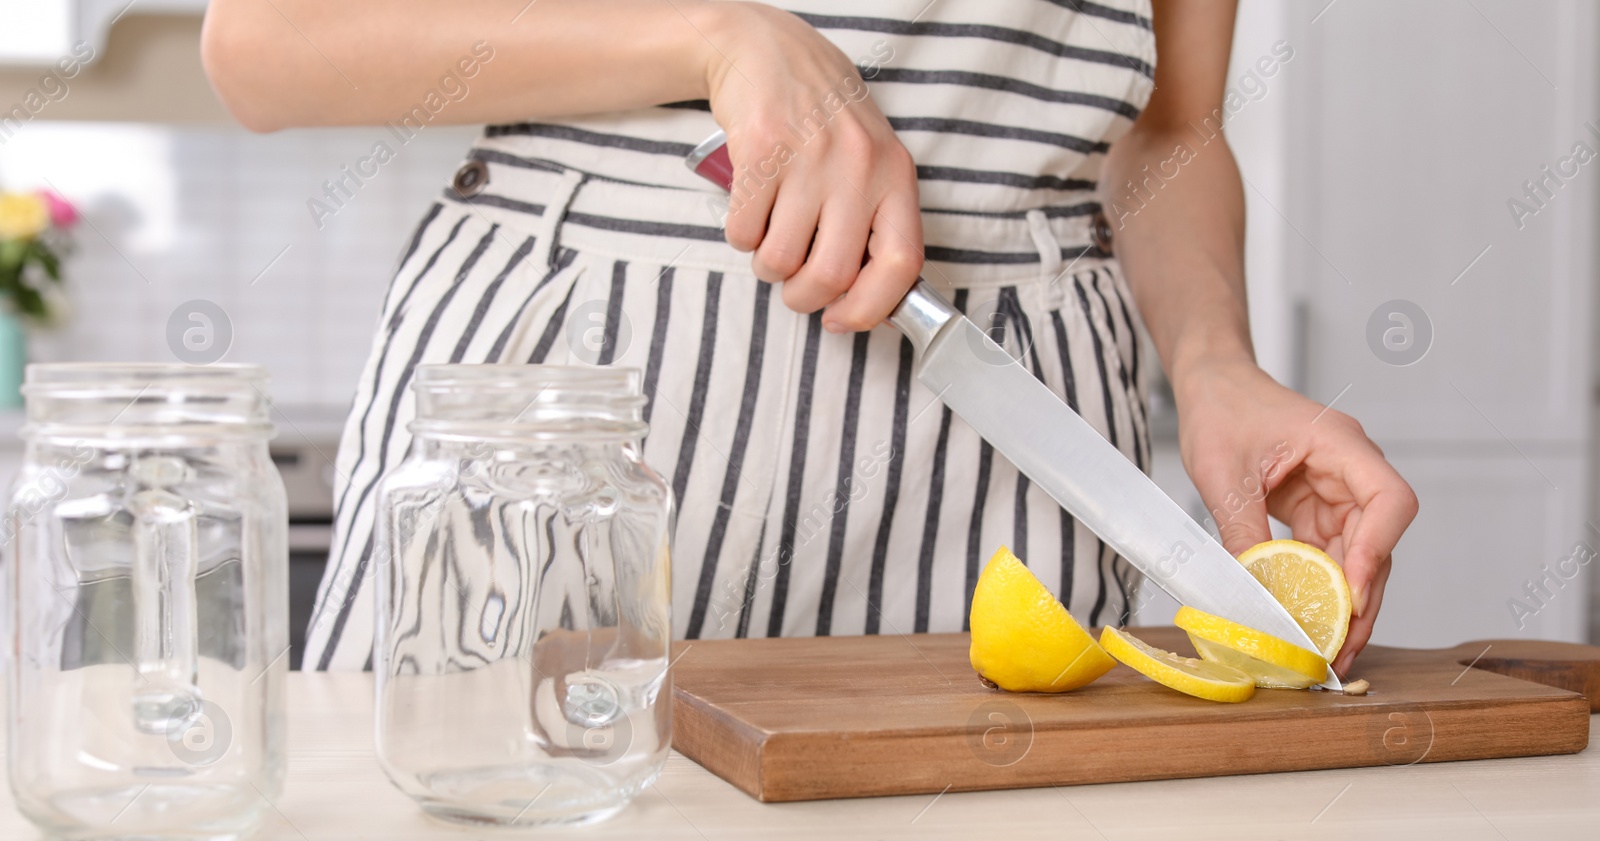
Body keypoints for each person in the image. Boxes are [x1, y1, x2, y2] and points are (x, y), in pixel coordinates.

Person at [202, 0, 1416, 677]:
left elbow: (1172, 130)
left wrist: (1212, 367)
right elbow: (269, 45)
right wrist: (709, 36)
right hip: (577, 393)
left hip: (1010, 434)